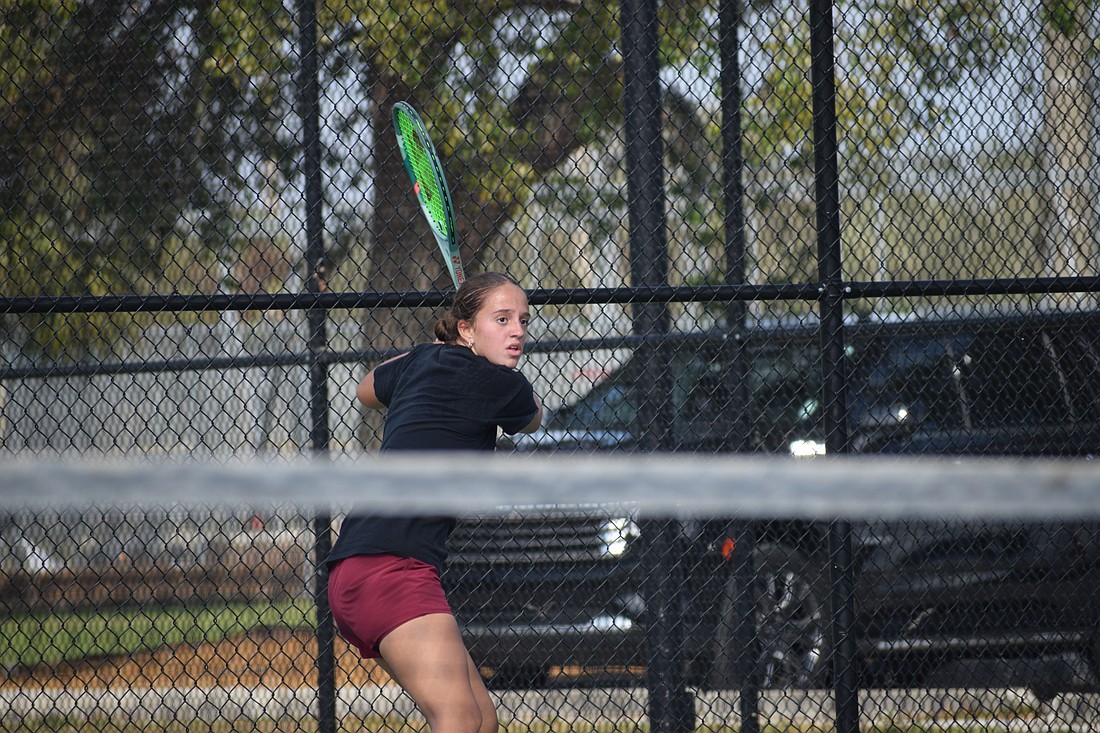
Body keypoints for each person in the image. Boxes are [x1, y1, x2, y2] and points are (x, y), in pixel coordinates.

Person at [327, 272, 543, 733]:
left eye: (522, 320)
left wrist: (433, 351)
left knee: (481, 718)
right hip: (390, 568)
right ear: (466, 327)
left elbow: (366, 389)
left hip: (359, 568)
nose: (517, 330)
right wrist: (460, 355)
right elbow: (533, 419)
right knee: (459, 717)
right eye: (501, 319)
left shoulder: (423, 360)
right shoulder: (504, 384)